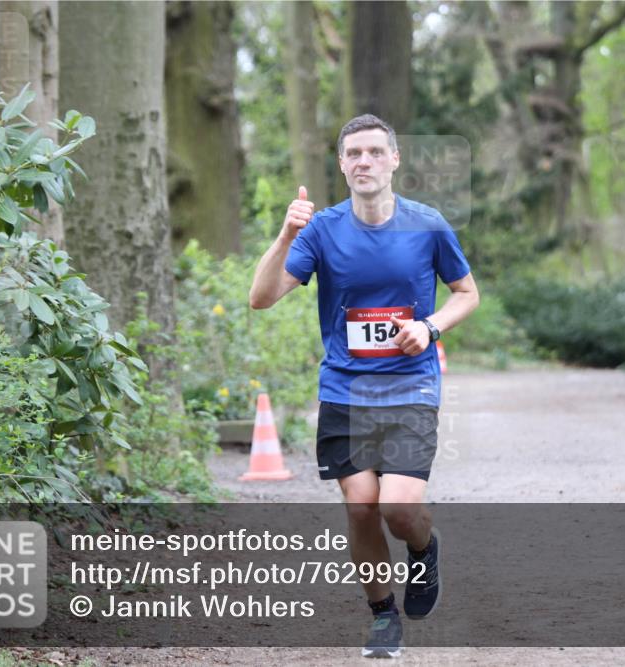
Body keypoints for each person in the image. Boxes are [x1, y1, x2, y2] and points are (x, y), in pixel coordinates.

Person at [249, 114, 479, 658]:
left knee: (398, 510)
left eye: (375, 152)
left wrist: (429, 327)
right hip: (345, 392)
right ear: (341, 164)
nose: (365, 162)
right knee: (360, 507)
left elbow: (467, 293)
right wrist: (286, 234)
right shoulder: (322, 230)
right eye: (354, 153)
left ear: (395, 159)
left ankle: (423, 548)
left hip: (409, 388)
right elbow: (261, 297)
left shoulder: (427, 224)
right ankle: (382, 616)